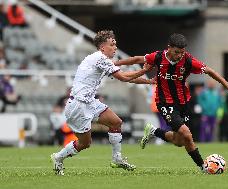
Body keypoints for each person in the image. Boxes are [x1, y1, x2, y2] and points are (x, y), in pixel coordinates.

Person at [115, 33, 228, 172]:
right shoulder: (158, 57)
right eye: (177, 52)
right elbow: (137, 59)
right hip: (165, 102)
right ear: (169, 48)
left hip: (183, 103)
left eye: (182, 52)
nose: (179, 56)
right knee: (187, 134)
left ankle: (154, 131)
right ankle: (203, 167)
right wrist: (114, 64)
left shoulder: (188, 60)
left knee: (179, 141)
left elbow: (210, 71)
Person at [50, 30, 154, 175]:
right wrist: (144, 71)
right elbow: (124, 77)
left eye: (115, 44)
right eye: (112, 44)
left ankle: (117, 159)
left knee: (116, 122)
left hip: (89, 102)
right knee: (85, 144)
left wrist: (149, 81)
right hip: (78, 105)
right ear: (102, 47)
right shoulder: (99, 58)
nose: (115, 47)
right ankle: (58, 157)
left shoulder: (101, 60)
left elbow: (126, 76)